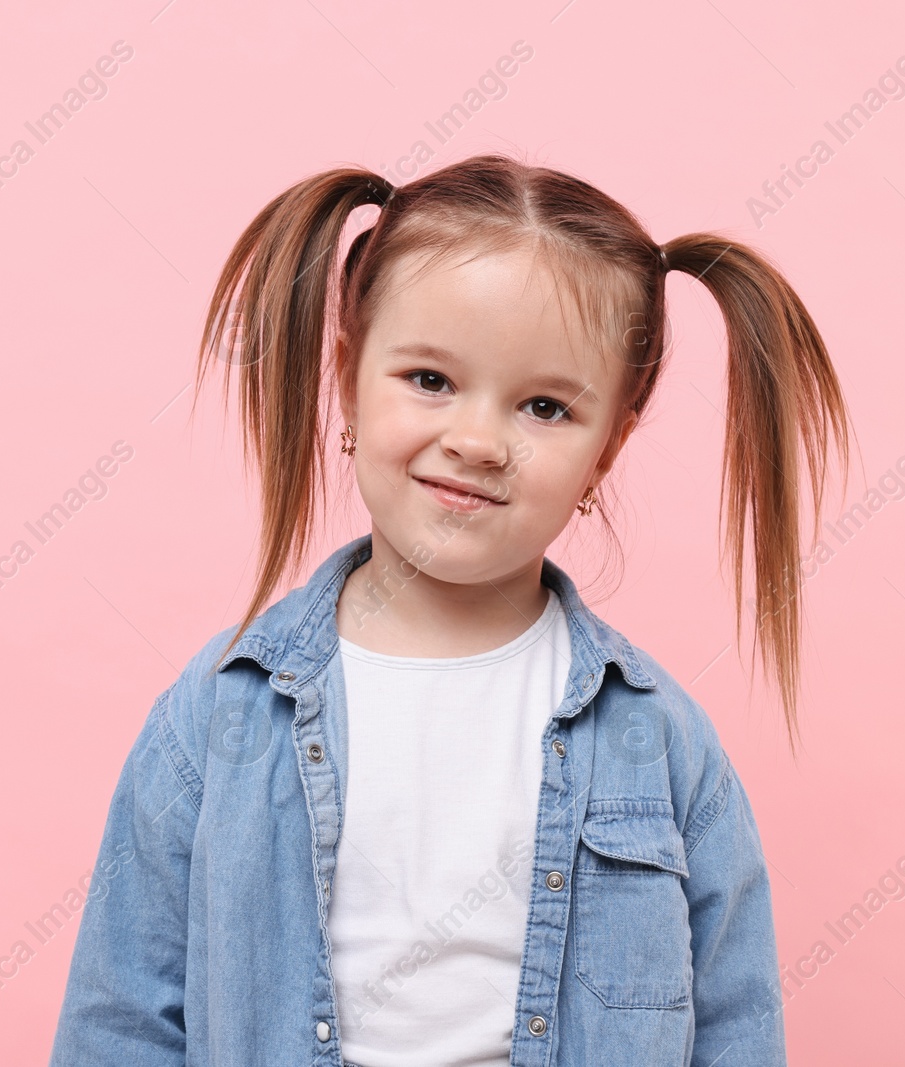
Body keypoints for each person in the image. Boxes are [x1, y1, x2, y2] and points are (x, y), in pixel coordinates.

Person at [47, 153, 854, 1066]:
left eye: (545, 406)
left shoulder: (661, 741)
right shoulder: (219, 713)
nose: (476, 441)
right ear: (348, 372)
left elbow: (737, 1027)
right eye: (429, 379)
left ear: (611, 444)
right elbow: (119, 1022)